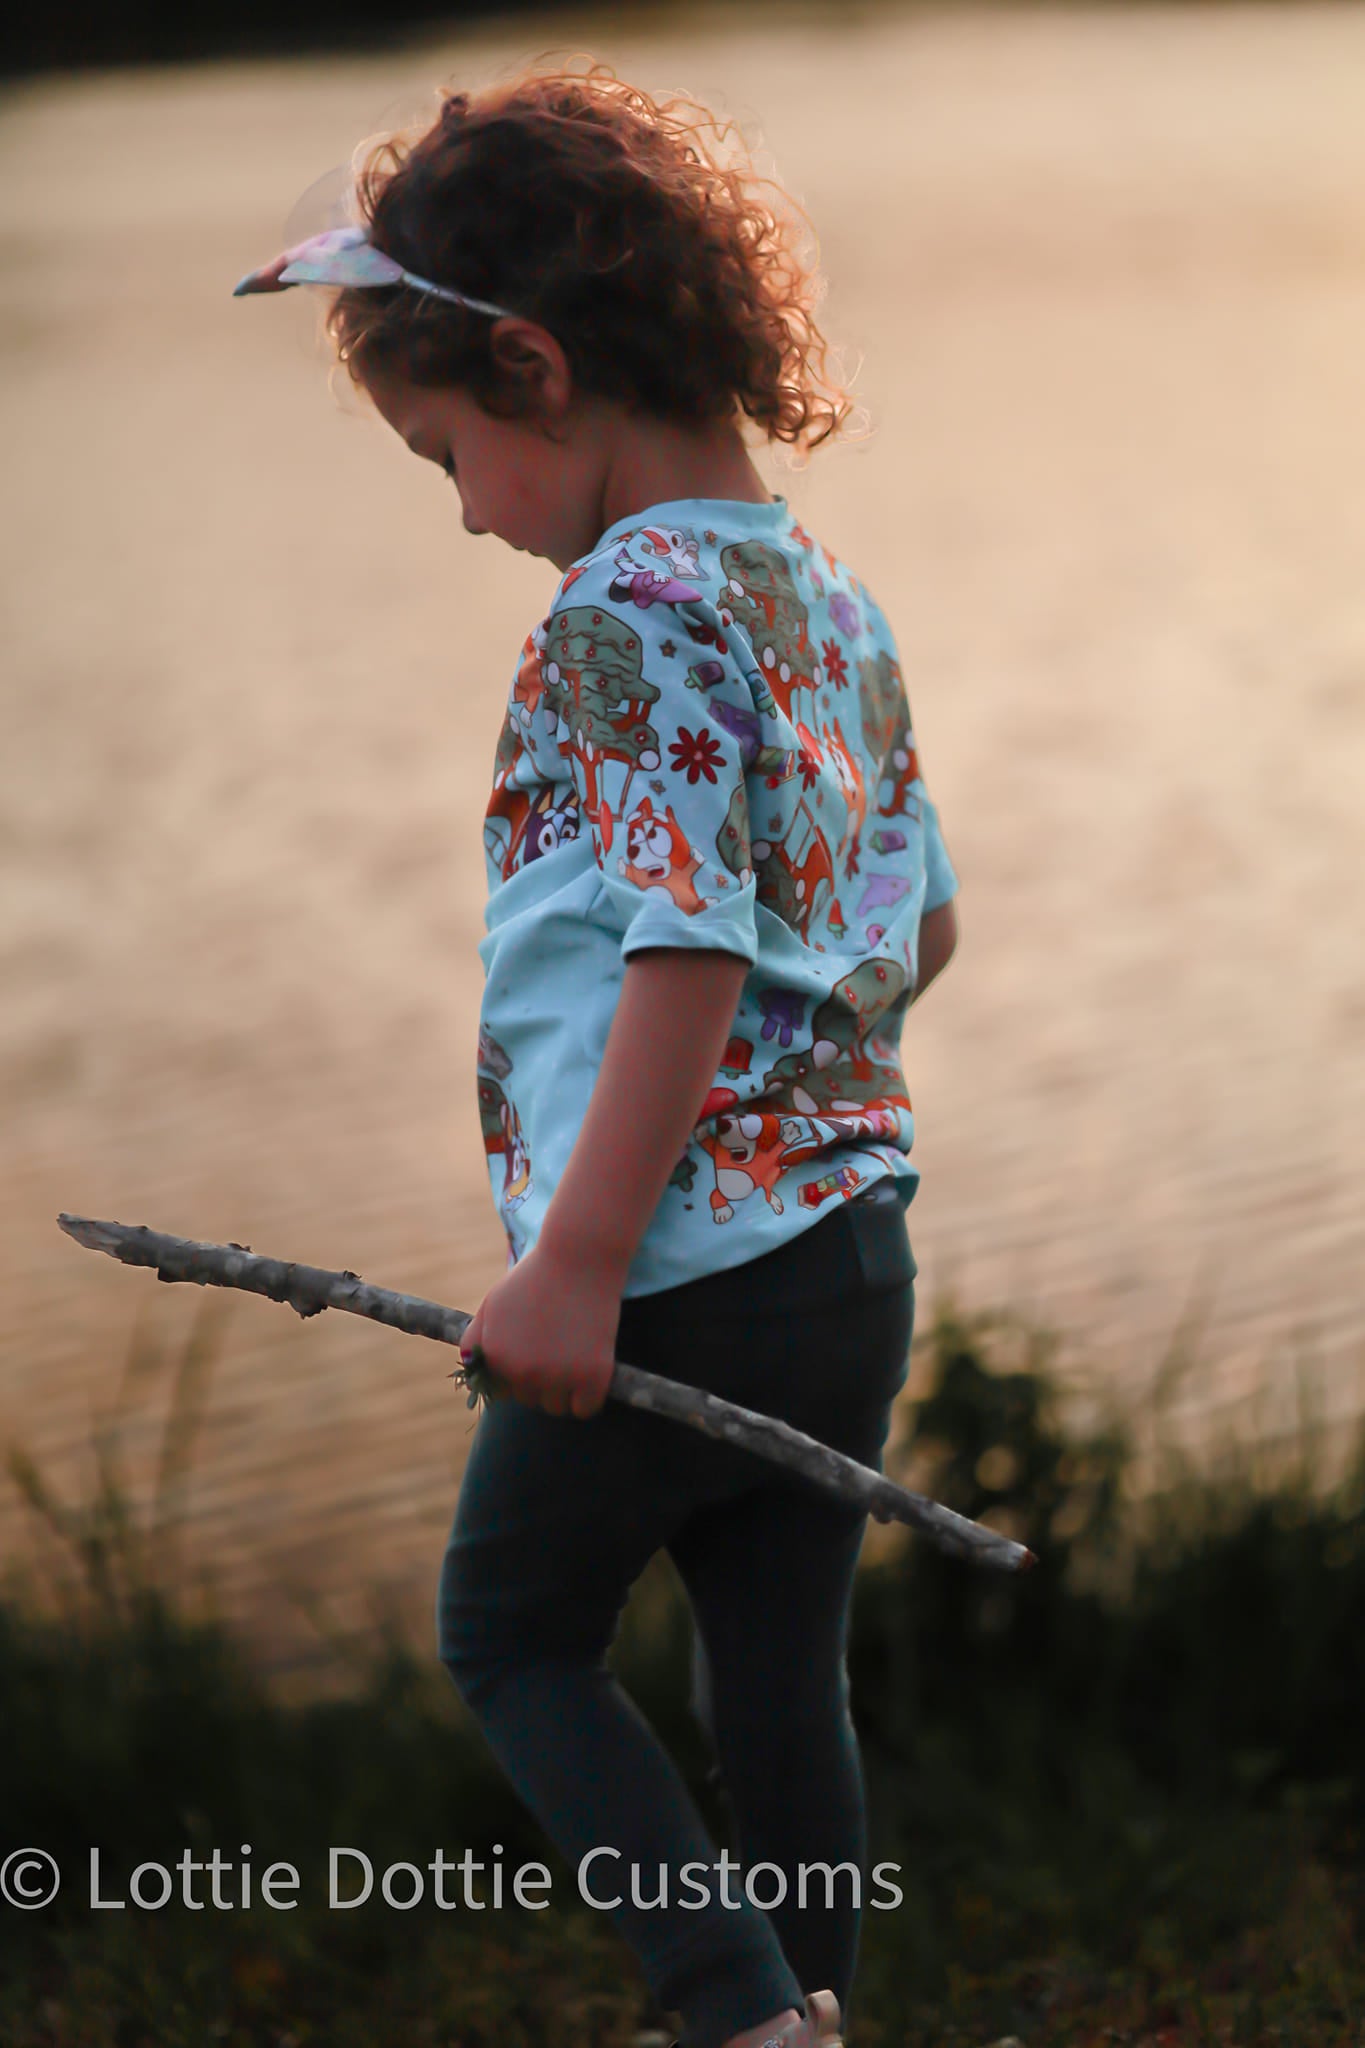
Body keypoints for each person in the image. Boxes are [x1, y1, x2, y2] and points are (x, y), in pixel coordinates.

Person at [234, 61, 959, 2048]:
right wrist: (806, 1118)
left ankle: (732, 2011)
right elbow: (920, 925)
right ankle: (818, 2003)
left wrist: (572, 1255)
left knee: (510, 1630)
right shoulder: (824, 599)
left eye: (441, 451)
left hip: (670, 1265)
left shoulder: (617, 613)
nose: (464, 509)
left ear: (537, 371)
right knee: (772, 1669)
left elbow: (686, 943)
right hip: (845, 1248)